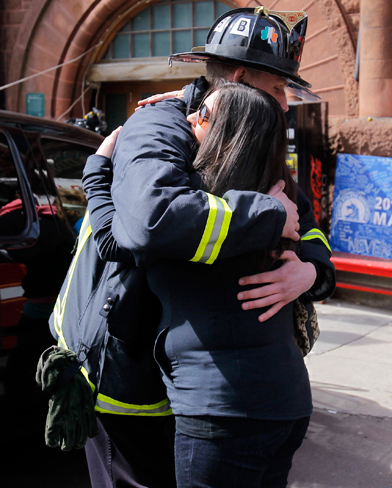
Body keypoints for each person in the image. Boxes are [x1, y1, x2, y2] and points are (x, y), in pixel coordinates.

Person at [51, 7, 334, 488]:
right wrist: (264, 216)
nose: (285, 104)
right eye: (277, 88)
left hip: (184, 379)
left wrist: (310, 273)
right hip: (125, 361)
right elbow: (150, 222)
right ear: (240, 78)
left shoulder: (247, 134)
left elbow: (304, 222)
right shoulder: (159, 125)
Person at [92, 80, 314, 488]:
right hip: (288, 402)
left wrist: (98, 169)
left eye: (205, 114)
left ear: (231, 131)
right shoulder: (279, 196)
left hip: (221, 409)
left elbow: (121, 235)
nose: (191, 116)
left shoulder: (195, 207)